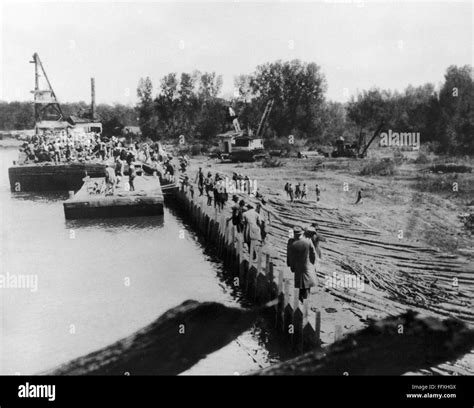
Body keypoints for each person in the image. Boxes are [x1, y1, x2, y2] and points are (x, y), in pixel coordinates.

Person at [287, 226, 317, 303]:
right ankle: (305, 301)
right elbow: (313, 253)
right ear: (301, 233)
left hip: (298, 267)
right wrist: (313, 263)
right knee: (307, 285)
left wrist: (291, 265)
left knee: (300, 285)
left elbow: (290, 255)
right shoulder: (307, 241)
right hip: (307, 266)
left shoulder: (291, 242)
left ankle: (301, 301)